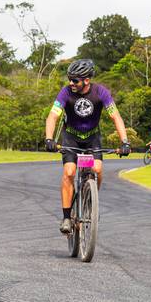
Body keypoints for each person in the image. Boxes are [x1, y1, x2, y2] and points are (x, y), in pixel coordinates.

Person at [44, 59, 131, 234]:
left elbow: (116, 117)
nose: (71, 83)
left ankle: (92, 199)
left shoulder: (101, 92)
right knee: (69, 172)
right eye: (69, 79)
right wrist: (49, 139)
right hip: (71, 137)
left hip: (92, 138)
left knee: (97, 169)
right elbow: (52, 116)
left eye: (75, 80)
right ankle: (67, 217)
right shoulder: (65, 92)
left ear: (86, 80)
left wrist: (125, 142)